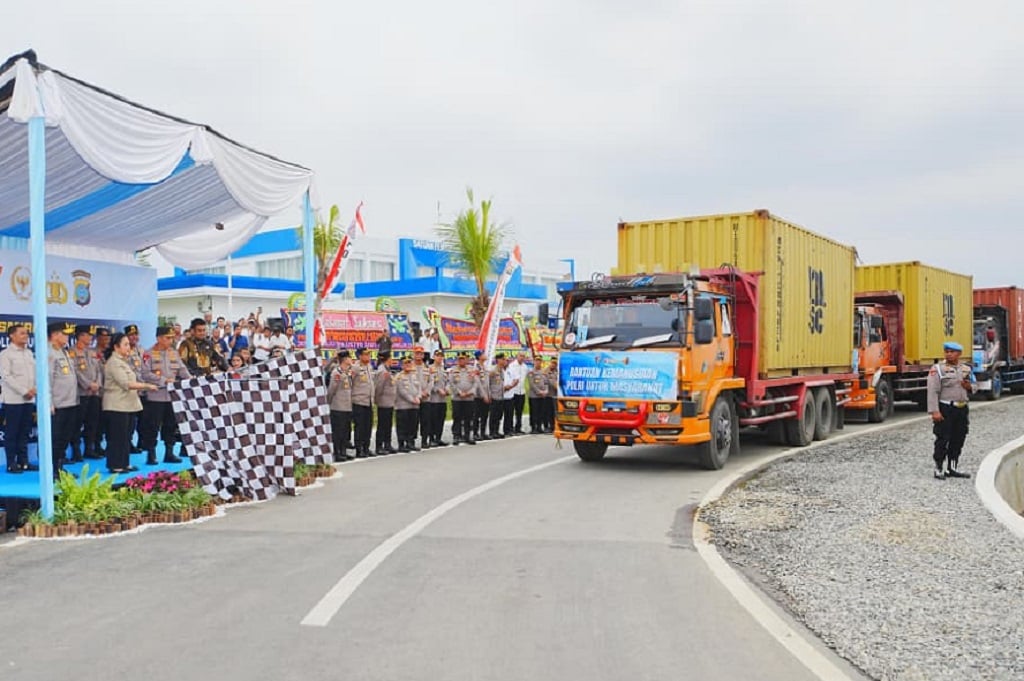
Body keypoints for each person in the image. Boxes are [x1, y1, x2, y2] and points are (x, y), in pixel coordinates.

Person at [102, 333, 157, 474]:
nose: (128, 347)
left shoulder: (123, 361)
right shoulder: (113, 362)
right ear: (116, 347)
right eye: (125, 344)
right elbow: (125, 383)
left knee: (126, 436)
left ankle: (124, 463)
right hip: (116, 406)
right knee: (117, 437)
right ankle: (115, 465)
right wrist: (146, 386)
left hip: (127, 405)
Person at [139, 326, 191, 465]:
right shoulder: (148, 354)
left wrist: (191, 380)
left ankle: (169, 452)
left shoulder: (173, 353)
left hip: (171, 396)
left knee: (170, 425)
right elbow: (145, 373)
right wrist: (163, 380)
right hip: (155, 396)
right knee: (152, 426)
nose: (170, 340)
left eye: (171, 338)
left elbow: (182, 370)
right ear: (159, 338)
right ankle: (151, 454)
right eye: (167, 338)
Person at [927, 341, 976, 480]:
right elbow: (933, 391)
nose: (949, 354)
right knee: (942, 438)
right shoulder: (938, 369)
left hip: (961, 408)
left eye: (952, 352)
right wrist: (934, 411)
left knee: (958, 438)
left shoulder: (966, 369)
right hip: (946, 408)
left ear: (959, 354)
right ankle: (939, 467)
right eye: (946, 351)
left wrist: (970, 387)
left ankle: (952, 467)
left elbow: (975, 386)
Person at [0, 324, 37, 473]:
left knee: (24, 431)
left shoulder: (28, 353)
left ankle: (24, 461)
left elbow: (34, 374)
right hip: (13, 399)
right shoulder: (6, 354)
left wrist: (34, 389)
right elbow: (6, 377)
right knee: (12, 432)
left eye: (27, 334)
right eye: (22, 333)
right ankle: (11, 463)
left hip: (29, 399)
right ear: (11, 336)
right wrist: (23, 391)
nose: (25, 336)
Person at [47, 322, 80, 478]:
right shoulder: (49, 353)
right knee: (56, 438)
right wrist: (49, 402)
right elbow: (46, 380)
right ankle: (52, 470)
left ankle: (60, 468)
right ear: (54, 335)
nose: (68, 337)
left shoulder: (64, 352)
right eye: (64, 334)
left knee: (65, 437)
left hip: (70, 402)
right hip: (58, 404)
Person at [70, 325, 104, 460]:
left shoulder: (92, 352)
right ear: (80, 336)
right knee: (77, 423)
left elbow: (99, 371)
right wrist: (88, 384)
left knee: (93, 422)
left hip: (94, 393)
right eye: (87, 335)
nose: (90, 338)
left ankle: (89, 448)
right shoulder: (71, 352)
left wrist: (97, 383)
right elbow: (75, 372)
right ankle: (76, 450)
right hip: (81, 393)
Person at [326, 350, 354, 462]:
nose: (351, 360)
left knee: (345, 431)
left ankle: (343, 451)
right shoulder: (336, 373)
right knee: (338, 432)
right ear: (345, 360)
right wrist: (329, 403)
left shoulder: (347, 372)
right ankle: (337, 453)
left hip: (347, 406)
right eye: (349, 358)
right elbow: (331, 390)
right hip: (338, 406)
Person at [448, 352, 478, 445]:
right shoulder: (453, 370)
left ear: (467, 359)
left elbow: (476, 382)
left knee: (468, 417)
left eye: (463, 358)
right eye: (460, 359)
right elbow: (451, 383)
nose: (461, 360)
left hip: (469, 398)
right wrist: (458, 392)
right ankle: (456, 436)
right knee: (457, 417)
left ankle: (467, 436)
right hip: (457, 398)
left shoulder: (472, 369)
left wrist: (470, 391)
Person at [350, 347, 375, 458]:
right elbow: (350, 383)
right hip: (358, 401)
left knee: (367, 426)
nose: (368, 356)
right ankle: (359, 449)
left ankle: (366, 447)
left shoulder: (369, 367)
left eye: (369, 354)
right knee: (359, 427)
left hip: (369, 401)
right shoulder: (355, 368)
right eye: (366, 354)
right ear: (360, 356)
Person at [395, 357, 422, 452]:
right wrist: (412, 399)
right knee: (403, 425)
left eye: (409, 364)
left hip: (414, 405)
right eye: (406, 364)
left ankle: (411, 442)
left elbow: (419, 388)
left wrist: (418, 397)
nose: (408, 366)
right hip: (403, 406)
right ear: (402, 365)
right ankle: (402, 444)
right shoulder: (399, 377)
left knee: (413, 424)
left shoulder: (414, 375)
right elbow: (402, 391)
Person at [374, 351, 398, 455]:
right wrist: (377, 400)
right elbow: (379, 387)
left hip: (389, 401)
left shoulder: (387, 369)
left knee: (388, 424)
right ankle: (379, 446)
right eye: (390, 358)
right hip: (383, 401)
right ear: (387, 359)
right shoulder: (382, 371)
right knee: (382, 425)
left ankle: (387, 444)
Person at [427, 349, 450, 446]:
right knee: (433, 420)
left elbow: (447, 381)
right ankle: (431, 438)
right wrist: (437, 389)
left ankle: (438, 438)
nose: (440, 358)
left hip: (442, 399)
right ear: (434, 357)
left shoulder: (443, 369)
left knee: (441, 419)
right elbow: (428, 383)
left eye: (441, 356)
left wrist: (447, 389)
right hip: (433, 399)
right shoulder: (430, 369)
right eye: (438, 356)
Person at [412, 346, 431, 447]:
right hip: (414, 399)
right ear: (413, 355)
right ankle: (412, 441)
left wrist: (427, 391)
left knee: (425, 420)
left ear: (423, 355)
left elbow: (431, 381)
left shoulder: (427, 368)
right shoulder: (410, 367)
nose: (418, 355)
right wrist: (418, 393)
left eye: (420, 353)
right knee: (414, 421)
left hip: (426, 398)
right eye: (417, 353)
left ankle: (424, 440)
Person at [527, 357, 550, 433]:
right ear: (534, 362)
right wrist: (539, 391)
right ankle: (534, 427)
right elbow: (532, 384)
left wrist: (546, 391)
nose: (538, 363)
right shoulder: (531, 372)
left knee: (541, 412)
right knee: (534, 412)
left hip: (542, 396)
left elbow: (546, 382)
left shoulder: (543, 372)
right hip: (534, 396)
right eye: (536, 361)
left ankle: (539, 427)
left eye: (539, 361)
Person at [488, 354, 507, 438]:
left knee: (499, 415)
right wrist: (489, 394)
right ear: (498, 360)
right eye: (503, 359)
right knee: (493, 415)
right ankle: (492, 432)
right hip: (494, 395)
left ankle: (496, 430)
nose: (504, 361)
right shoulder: (493, 370)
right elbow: (487, 383)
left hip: (501, 395)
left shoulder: (501, 370)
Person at [509, 352, 529, 434]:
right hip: (513, 391)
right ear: (517, 356)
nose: (522, 357)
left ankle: (518, 427)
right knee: (511, 411)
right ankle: (510, 428)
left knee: (519, 411)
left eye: (523, 356)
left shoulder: (525, 367)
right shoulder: (512, 366)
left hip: (522, 391)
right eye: (520, 356)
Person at [501, 354, 521, 436]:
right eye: (505, 360)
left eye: (508, 360)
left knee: (509, 414)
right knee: (498, 415)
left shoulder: (511, 369)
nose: (507, 362)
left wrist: (511, 386)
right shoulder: (499, 370)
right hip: (500, 396)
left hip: (510, 395)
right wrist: (503, 388)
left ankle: (508, 430)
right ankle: (495, 431)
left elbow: (516, 379)